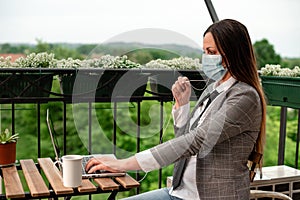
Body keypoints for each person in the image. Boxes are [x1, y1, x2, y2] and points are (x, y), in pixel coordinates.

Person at [86, 19, 267, 200]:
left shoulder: (245, 97)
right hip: (180, 192)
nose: (206, 58)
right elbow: (185, 140)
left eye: (212, 52)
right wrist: (182, 106)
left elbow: (197, 140)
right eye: (204, 52)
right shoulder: (213, 88)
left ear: (233, 54)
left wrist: (123, 164)